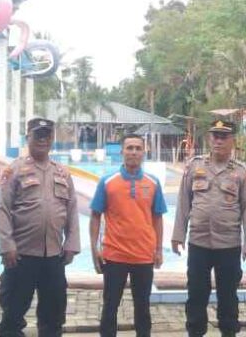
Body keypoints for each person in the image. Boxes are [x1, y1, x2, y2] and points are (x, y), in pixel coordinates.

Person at [171, 119, 246, 337]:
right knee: (196, 294)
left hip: (228, 245)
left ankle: (228, 332)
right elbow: (184, 201)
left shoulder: (242, 173)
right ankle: (195, 333)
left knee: (228, 296)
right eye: (215, 136)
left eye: (224, 137)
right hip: (198, 243)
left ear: (232, 141)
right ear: (210, 139)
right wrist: (178, 234)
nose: (218, 141)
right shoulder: (194, 167)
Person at [0, 117, 80, 337]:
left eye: (47, 135)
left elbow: (72, 210)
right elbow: (3, 208)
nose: (43, 140)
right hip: (21, 255)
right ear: (28, 137)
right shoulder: (14, 170)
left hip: (53, 257)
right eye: (38, 135)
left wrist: (71, 244)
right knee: (13, 315)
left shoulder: (62, 173)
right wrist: (7, 245)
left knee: (53, 316)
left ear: (52, 138)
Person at [89, 134, 166, 337]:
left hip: (144, 255)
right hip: (115, 255)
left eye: (138, 148)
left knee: (143, 306)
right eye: (129, 148)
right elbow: (95, 216)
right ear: (122, 151)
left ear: (144, 152)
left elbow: (157, 218)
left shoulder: (153, 182)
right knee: (110, 305)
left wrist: (158, 250)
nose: (133, 152)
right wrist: (94, 248)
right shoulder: (108, 182)